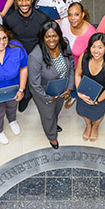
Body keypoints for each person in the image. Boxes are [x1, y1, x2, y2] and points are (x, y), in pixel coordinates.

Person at [3, 0, 50, 112]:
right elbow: (7, 36)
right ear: (16, 1)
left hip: (36, 53)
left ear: (32, 0)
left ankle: (34, 95)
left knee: (36, 79)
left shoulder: (42, 18)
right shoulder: (9, 19)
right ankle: (25, 96)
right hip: (18, 54)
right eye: (20, 0)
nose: (24, 4)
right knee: (20, 78)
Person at [28, 21, 75, 149]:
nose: (52, 40)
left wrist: (69, 87)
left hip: (62, 88)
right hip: (44, 92)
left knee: (56, 110)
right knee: (48, 116)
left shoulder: (64, 44)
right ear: (42, 37)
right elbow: (34, 84)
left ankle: (53, 124)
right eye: (47, 36)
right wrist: (48, 98)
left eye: (54, 36)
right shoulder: (36, 56)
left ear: (59, 35)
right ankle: (52, 136)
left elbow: (71, 65)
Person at [75, 33, 105, 141]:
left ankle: (95, 126)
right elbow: (77, 74)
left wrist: (97, 101)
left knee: (97, 115)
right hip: (84, 92)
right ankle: (88, 125)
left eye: (100, 47)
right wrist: (79, 92)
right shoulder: (83, 57)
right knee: (83, 111)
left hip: (100, 96)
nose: (96, 51)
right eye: (93, 46)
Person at [59, 2, 97, 109]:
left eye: (76, 14)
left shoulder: (91, 34)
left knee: (76, 84)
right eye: (70, 14)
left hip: (78, 67)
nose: (72, 18)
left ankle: (74, 95)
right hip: (64, 63)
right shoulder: (65, 23)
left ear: (83, 14)